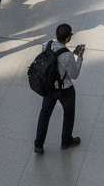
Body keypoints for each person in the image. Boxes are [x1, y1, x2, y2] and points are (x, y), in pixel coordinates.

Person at [33, 23, 84, 154]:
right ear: (68, 38)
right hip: (64, 89)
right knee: (68, 113)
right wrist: (78, 57)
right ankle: (66, 141)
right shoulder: (67, 55)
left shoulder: (46, 44)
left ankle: (39, 144)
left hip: (48, 86)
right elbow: (74, 75)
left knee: (45, 113)